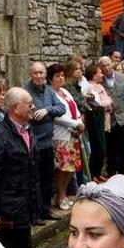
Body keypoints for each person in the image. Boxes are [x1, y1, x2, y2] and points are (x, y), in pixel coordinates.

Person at [0, 88, 39, 248]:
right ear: (15, 108)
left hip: (24, 209)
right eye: (29, 104)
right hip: (7, 213)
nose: (33, 107)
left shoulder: (28, 131)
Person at [26, 62, 66, 221]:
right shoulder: (25, 92)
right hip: (33, 143)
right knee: (34, 181)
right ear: (30, 74)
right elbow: (31, 116)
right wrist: (43, 114)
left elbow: (61, 108)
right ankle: (35, 214)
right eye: (35, 73)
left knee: (47, 179)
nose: (38, 76)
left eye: (41, 73)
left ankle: (46, 210)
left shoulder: (48, 90)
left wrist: (47, 110)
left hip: (48, 143)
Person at [47, 64, 84, 211]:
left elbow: (75, 109)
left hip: (73, 134)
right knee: (62, 168)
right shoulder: (50, 93)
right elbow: (57, 117)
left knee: (70, 168)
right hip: (60, 135)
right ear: (50, 79)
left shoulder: (65, 92)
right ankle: (60, 195)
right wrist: (75, 124)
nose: (61, 78)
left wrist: (80, 122)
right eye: (57, 76)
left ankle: (64, 195)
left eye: (62, 75)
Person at [99, 57, 124, 177]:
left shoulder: (121, 77)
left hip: (122, 118)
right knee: (110, 148)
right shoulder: (99, 80)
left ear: (111, 64)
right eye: (103, 66)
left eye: (108, 65)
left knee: (123, 147)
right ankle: (111, 172)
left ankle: (123, 171)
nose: (106, 68)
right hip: (108, 120)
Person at [79, 64, 111, 183]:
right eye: (99, 72)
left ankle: (98, 172)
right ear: (93, 74)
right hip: (94, 120)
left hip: (102, 119)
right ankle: (92, 173)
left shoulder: (100, 87)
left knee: (102, 147)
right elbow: (98, 103)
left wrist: (106, 104)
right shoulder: (90, 87)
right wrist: (105, 104)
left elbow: (108, 101)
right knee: (96, 147)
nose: (102, 74)